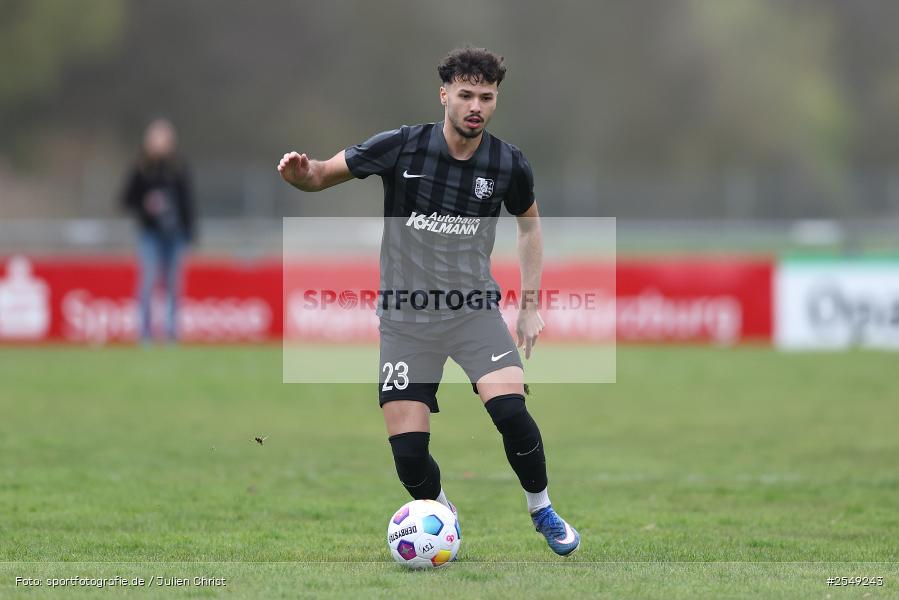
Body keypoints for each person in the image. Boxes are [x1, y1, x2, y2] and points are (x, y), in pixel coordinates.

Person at [277, 47, 580, 556]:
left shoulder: (507, 163)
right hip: (405, 319)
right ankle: (442, 515)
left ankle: (542, 508)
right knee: (409, 454)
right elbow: (322, 175)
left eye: (486, 96)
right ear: (444, 95)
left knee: (510, 411)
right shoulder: (402, 147)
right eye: (465, 95)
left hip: (473, 312)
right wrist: (300, 175)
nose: (476, 105)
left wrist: (529, 305)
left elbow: (529, 225)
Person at [122, 118, 195, 342]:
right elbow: (126, 199)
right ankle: (144, 334)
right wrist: (146, 205)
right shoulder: (141, 169)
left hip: (174, 235)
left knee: (174, 285)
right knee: (148, 282)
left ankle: (172, 333)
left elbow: (188, 203)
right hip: (151, 234)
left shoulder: (178, 168)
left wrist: (189, 231)